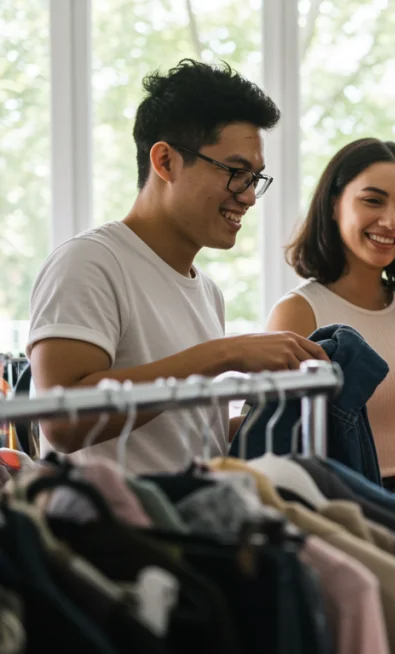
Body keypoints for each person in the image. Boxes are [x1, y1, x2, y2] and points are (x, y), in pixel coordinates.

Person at [27, 59, 327, 474]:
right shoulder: (89, 262)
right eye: (236, 172)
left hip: (192, 524)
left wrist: (270, 419)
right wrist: (227, 353)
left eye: (255, 177)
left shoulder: (208, 292)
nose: (249, 197)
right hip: (111, 532)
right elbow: (62, 423)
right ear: (165, 161)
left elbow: (175, 440)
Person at [267, 137, 395, 511]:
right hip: (335, 508)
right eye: (373, 200)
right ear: (334, 205)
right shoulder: (299, 312)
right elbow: (276, 441)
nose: (391, 221)